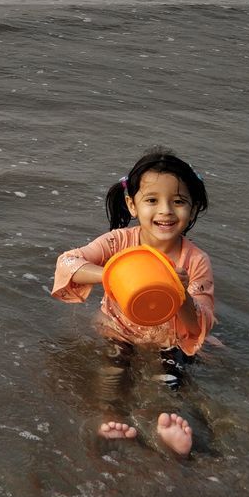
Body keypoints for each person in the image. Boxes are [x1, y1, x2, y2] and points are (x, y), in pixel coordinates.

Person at [51, 148, 216, 457]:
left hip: (169, 338)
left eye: (178, 201)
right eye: (152, 200)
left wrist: (181, 296)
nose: (165, 211)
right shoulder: (118, 242)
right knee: (112, 371)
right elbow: (68, 262)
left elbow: (199, 324)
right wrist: (111, 274)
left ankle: (164, 429)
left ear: (193, 210)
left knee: (168, 380)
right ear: (132, 204)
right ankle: (108, 418)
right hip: (120, 329)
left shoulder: (195, 261)